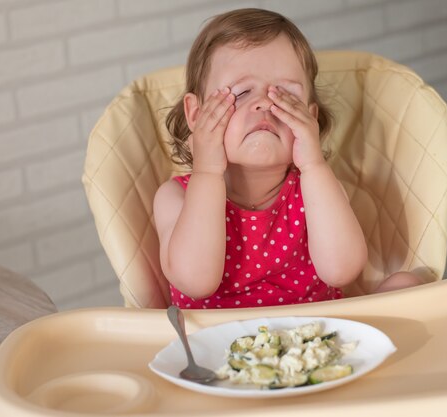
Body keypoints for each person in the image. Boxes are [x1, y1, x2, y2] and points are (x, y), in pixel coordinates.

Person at [153, 8, 423, 309]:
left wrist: (313, 165)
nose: (265, 104)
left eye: (286, 96)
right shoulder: (176, 196)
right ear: (197, 114)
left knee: (407, 285)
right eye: (240, 94)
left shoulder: (314, 189)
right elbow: (195, 280)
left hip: (312, 343)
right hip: (215, 349)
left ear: (310, 119)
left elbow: (342, 272)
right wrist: (207, 171)